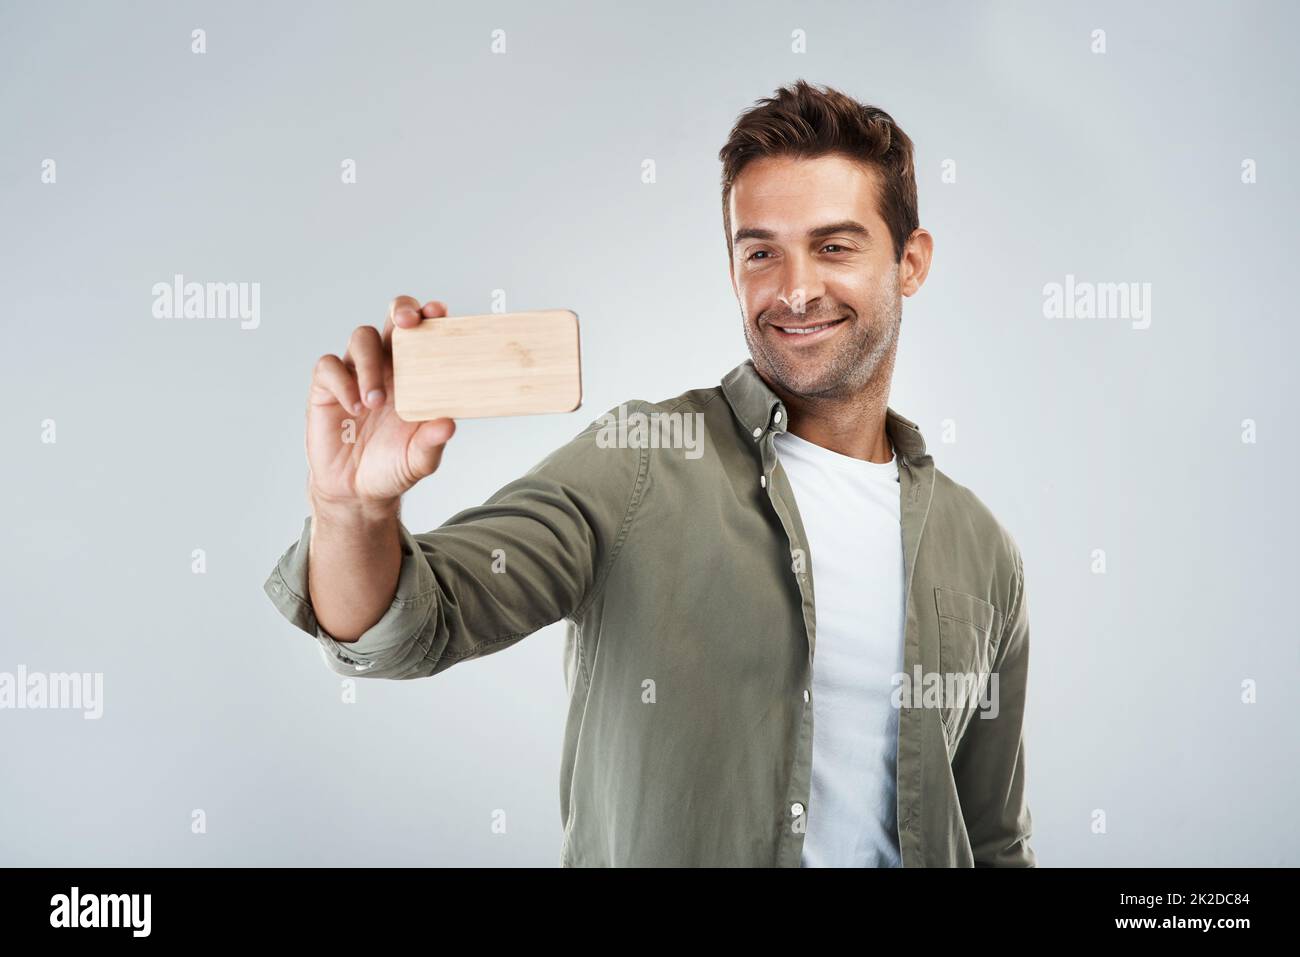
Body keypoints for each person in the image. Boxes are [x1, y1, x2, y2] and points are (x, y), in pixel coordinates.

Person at [264, 79, 1036, 867]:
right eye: (761, 251)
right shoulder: (641, 458)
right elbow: (412, 627)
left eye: (834, 246)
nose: (796, 288)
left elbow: (995, 838)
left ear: (911, 262)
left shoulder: (983, 550)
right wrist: (349, 510)